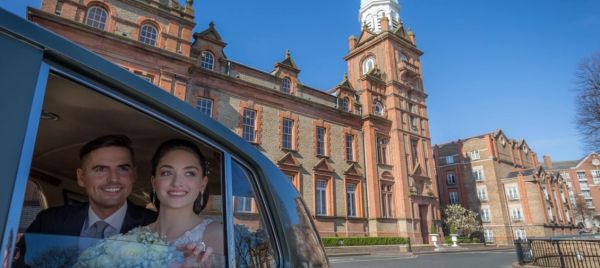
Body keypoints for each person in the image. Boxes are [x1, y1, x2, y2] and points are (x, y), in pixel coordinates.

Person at [14, 135, 157, 266]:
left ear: (133, 174)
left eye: (123, 168)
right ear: (81, 177)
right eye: (101, 169)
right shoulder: (49, 221)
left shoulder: (156, 227)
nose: (114, 178)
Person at [146, 139, 224, 266]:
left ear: (202, 184)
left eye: (189, 173)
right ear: (154, 182)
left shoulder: (217, 236)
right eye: (167, 173)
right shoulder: (133, 236)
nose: (177, 183)